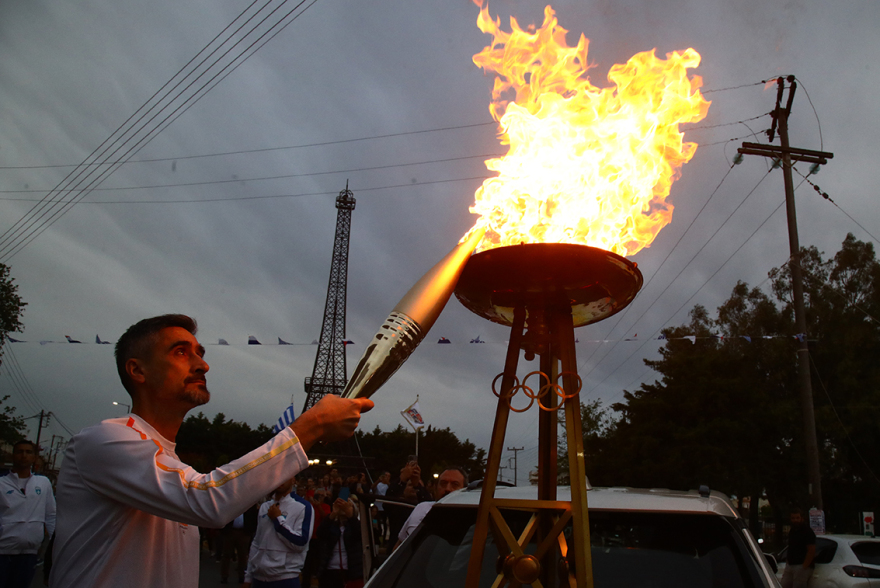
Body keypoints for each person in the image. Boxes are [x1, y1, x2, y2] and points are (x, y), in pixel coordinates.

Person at [49, 314, 373, 587]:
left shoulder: (171, 463)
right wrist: (310, 427)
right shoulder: (105, 440)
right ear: (138, 370)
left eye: (200, 353)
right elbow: (209, 501)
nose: (202, 364)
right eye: (180, 352)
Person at [0, 440, 56, 587]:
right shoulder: (2, 484)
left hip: (29, 552)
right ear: (13, 456)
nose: (24, 456)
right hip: (3, 551)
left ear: (34, 457)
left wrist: (55, 544)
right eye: (19, 452)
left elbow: (50, 514)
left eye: (28, 452)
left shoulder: (43, 483)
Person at [243, 477, 313, 588]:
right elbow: (256, 542)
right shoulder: (264, 507)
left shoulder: (303, 507)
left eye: (286, 475)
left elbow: (301, 543)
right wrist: (248, 577)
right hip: (259, 579)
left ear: (293, 480)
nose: (281, 479)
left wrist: (278, 520)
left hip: (285, 578)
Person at [394, 468, 467, 550]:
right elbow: (399, 546)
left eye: (455, 484)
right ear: (435, 488)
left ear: (465, 490)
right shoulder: (421, 508)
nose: (447, 489)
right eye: (443, 483)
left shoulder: (469, 518)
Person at [316, 498, 363, 588]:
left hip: (351, 571)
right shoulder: (331, 525)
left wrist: (350, 516)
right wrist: (333, 514)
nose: (343, 508)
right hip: (330, 570)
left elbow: (360, 535)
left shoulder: (355, 524)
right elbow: (320, 533)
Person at [781, 507, 816, 588]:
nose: (795, 520)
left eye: (797, 518)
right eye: (793, 518)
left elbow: (811, 550)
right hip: (790, 565)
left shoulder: (807, 532)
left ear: (801, 518)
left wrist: (804, 567)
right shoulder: (792, 531)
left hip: (801, 566)